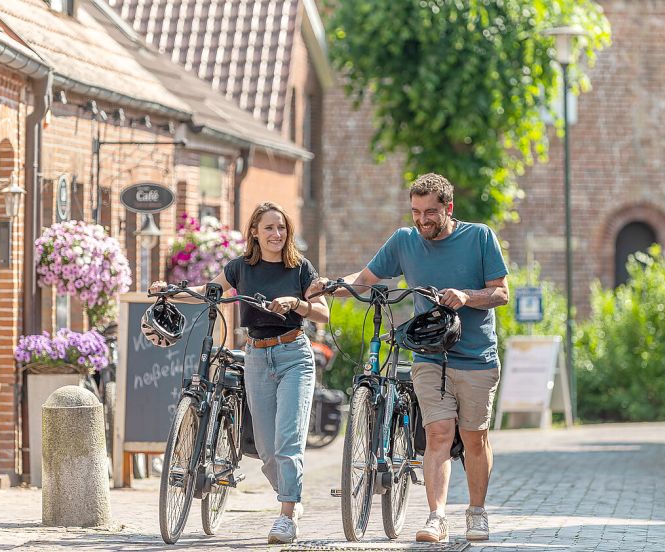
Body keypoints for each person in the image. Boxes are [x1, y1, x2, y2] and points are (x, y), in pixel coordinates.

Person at [309, 173, 509, 543]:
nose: (422, 220)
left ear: (448, 208)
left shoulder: (479, 236)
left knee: (474, 436)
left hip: (477, 356)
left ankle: (477, 511)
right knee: (437, 434)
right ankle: (436, 517)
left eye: (430, 212)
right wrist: (336, 284)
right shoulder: (404, 241)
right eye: (416, 212)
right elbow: (368, 278)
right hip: (430, 354)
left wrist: (466, 297)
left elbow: (501, 294)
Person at [150, 202, 328, 544]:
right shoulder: (240, 267)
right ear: (255, 234)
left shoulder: (301, 268)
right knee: (266, 448)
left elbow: (323, 313)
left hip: (294, 355)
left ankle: (286, 515)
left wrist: (297, 303)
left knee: (288, 442)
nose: (277, 234)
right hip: (257, 357)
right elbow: (209, 292)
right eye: (269, 228)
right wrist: (171, 292)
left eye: (282, 228)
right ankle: (292, 493)